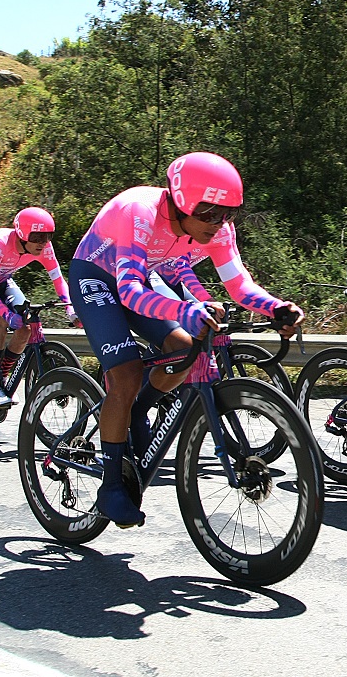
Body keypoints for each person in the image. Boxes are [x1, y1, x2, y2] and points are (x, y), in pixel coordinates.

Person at [68, 151, 304, 527]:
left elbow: (239, 285)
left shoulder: (217, 230)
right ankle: (112, 484)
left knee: (185, 350)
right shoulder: (140, 212)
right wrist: (186, 311)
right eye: (210, 213)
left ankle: (139, 408)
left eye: (227, 214)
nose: (219, 223)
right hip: (96, 276)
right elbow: (128, 291)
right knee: (126, 373)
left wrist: (275, 308)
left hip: (141, 277)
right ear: (181, 201)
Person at [0, 208, 79, 409]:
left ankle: (0, 377)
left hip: (3, 280)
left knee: (25, 328)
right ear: (21, 234)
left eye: (48, 236)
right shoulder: (0, 243)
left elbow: (58, 281)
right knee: (0, 320)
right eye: (38, 237)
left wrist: (70, 310)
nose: (43, 242)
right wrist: (6, 313)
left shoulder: (45, 248)